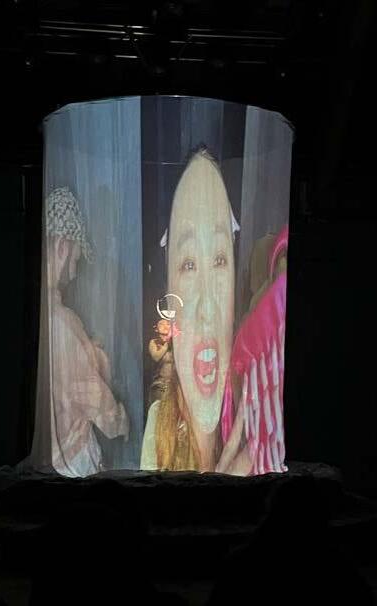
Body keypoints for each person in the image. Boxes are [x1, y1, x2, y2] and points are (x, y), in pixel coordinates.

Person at [141, 149, 236, 472]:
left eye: (220, 260)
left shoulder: (254, 427)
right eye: (189, 264)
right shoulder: (159, 428)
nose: (207, 308)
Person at [32, 186, 129, 477]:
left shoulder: (44, 319)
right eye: (75, 259)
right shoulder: (62, 323)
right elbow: (93, 398)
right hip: (72, 462)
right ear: (62, 248)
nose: (74, 272)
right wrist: (121, 420)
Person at [148, 319, 174, 406]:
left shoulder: (175, 343)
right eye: (161, 324)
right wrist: (166, 344)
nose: (165, 326)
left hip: (173, 385)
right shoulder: (154, 342)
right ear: (156, 329)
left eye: (168, 324)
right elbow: (156, 357)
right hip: (160, 385)